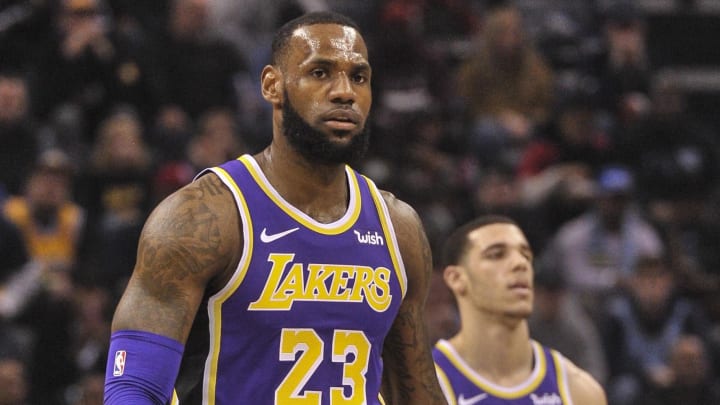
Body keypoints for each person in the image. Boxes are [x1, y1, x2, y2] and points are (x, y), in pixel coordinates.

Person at [104, 11, 447, 405]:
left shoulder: (398, 228)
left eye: (359, 77)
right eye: (320, 72)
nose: (344, 92)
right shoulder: (203, 216)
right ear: (272, 85)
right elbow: (134, 388)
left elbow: (416, 393)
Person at [433, 215, 607, 404]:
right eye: (496, 254)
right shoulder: (427, 387)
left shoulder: (579, 391)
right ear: (456, 279)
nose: (520, 264)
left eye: (526, 255)